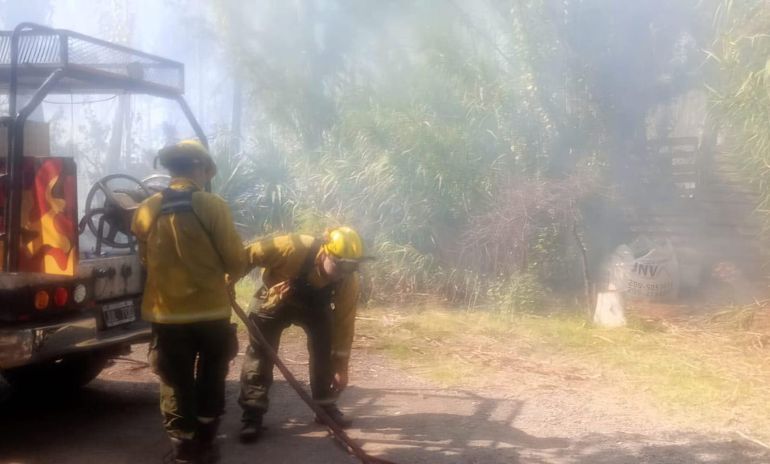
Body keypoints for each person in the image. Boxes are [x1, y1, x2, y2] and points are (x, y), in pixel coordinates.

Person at [131, 140, 246, 464]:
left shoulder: (146, 209)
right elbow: (236, 260)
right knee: (211, 375)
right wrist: (226, 279)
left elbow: (144, 257)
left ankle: (183, 450)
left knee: (175, 382)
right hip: (212, 314)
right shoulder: (213, 206)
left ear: (171, 170)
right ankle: (207, 444)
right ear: (201, 169)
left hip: (167, 316)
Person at [238, 227, 369, 443]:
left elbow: (344, 325)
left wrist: (340, 367)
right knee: (260, 354)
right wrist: (228, 279)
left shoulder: (348, 281)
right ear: (325, 252)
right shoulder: (293, 247)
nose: (343, 273)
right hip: (274, 300)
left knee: (325, 349)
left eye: (350, 268)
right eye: (339, 266)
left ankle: (325, 407)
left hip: (315, 308)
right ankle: (252, 414)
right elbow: (248, 254)